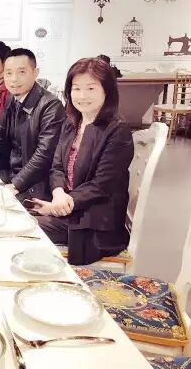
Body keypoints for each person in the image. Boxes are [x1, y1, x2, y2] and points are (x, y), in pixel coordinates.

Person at [31, 58, 134, 265]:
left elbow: (102, 185)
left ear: (107, 90)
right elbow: (57, 167)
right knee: (15, 215)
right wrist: (58, 193)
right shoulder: (72, 122)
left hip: (93, 221)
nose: (82, 96)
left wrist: (61, 205)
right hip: (67, 207)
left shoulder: (117, 130)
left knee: (24, 228)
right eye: (76, 88)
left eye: (90, 88)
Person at [0, 48, 66, 201]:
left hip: (35, 184)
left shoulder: (50, 105)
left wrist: (15, 185)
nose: (14, 79)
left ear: (35, 73)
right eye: (9, 73)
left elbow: (44, 154)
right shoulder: (12, 98)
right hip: (11, 174)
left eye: (21, 72)